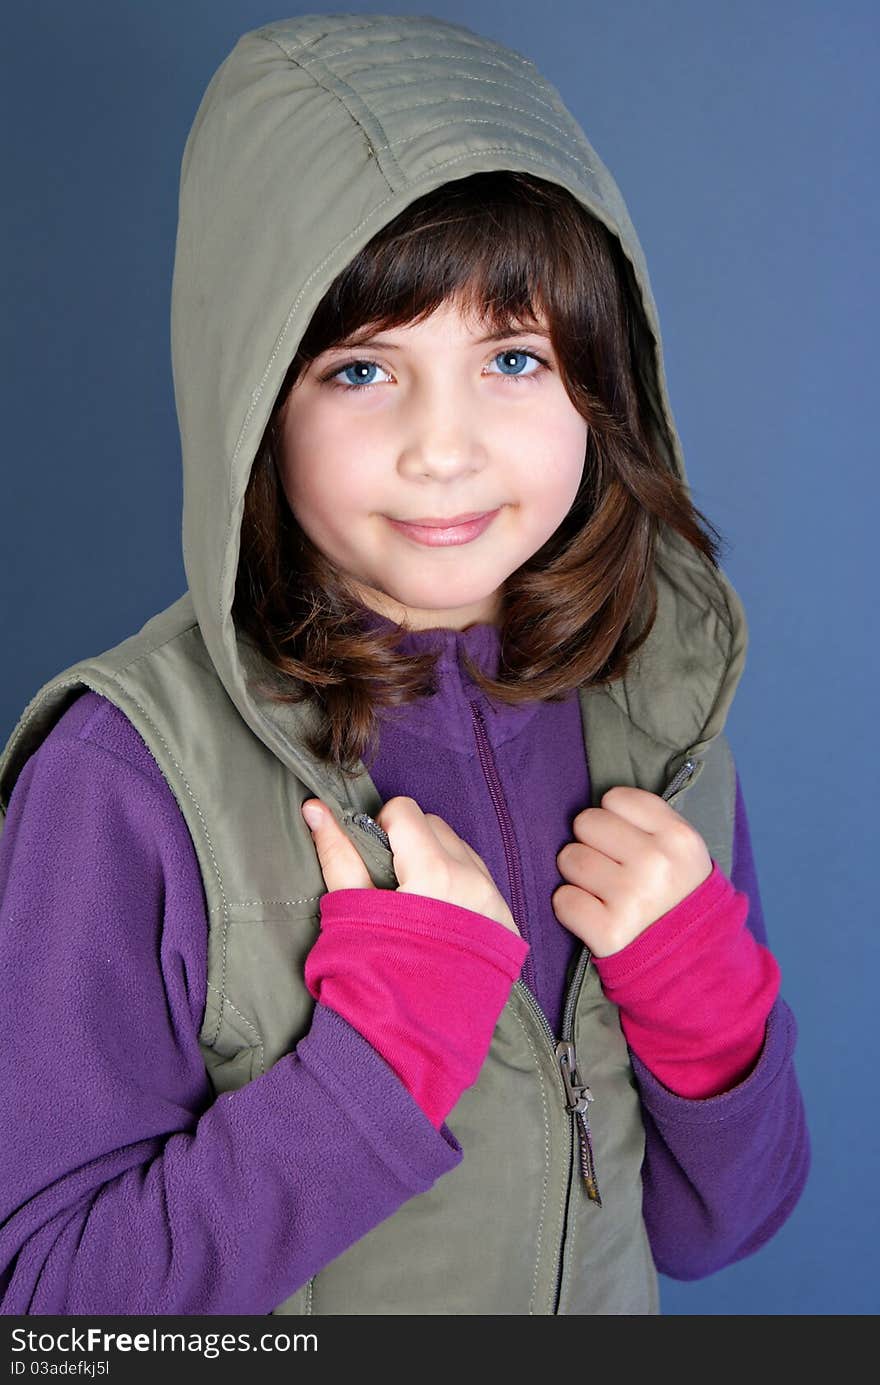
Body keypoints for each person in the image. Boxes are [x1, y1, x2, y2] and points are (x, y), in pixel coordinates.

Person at [0, 12, 809, 1316]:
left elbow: (726, 1222)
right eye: (365, 369)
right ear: (255, 393)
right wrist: (376, 1066)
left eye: (513, 357)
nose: (447, 448)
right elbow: (47, 1321)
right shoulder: (123, 777)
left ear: (605, 379)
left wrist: (709, 1010)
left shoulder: (654, 701)